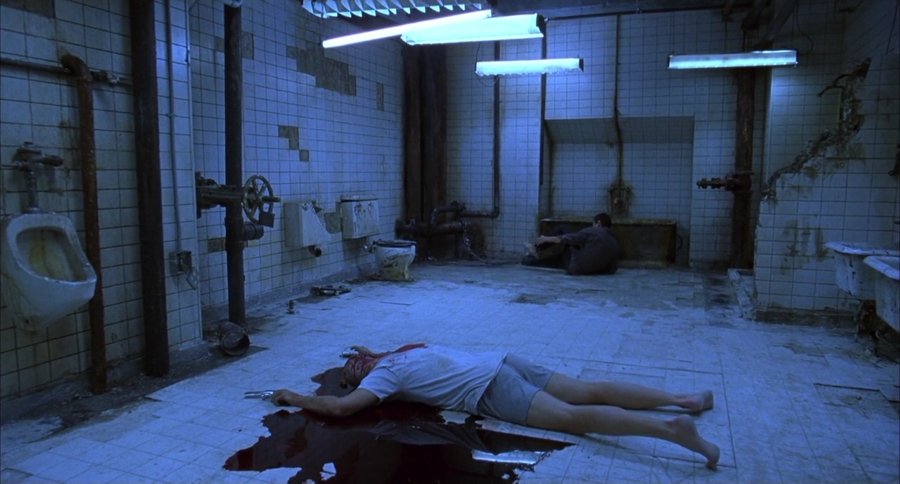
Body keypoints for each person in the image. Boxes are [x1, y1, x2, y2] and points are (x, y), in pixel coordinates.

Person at [272, 343, 720, 470]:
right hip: (497, 367)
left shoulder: (392, 362)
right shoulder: (389, 371)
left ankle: (676, 417)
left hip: (494, 377)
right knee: (582, 396)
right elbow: (343, 406)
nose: (352, 364)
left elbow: (344, 405)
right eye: (350, 371)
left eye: (353, 361)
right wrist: (298, 396)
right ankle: (681, 406)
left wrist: (372, 356)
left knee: (576, 410)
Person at [522, 212, 621, 275]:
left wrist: (546, 239)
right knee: (559, 258)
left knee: (563, 229)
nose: (593, 226)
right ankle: (533, 256)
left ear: (598, 223)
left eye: (593, 224)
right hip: (589, 269)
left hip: (576, 266)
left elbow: (569, 238)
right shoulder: (615, 242)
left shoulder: (595, 231)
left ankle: (535, 250)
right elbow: (612, 268)